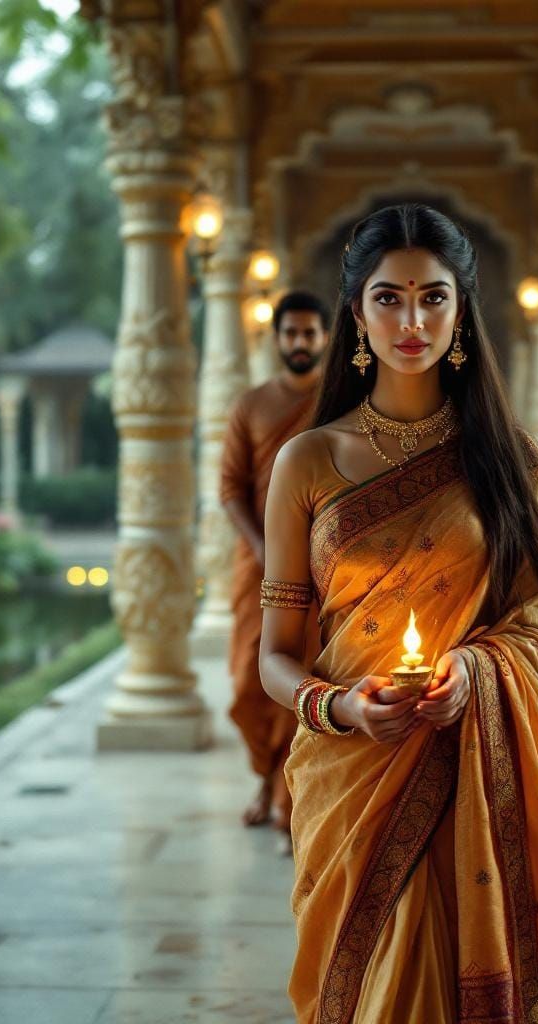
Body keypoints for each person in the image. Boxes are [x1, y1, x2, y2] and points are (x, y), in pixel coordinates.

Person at [259, 205, 538, 1022]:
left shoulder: (509, 461)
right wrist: (343, 707)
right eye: (389, 298)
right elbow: (275, 655)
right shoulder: (307, 461)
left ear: (462, 311)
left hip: (471, 771)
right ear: (356, 313)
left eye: (433, 298)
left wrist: (476, 672)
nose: (412, 322)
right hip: (353, 775)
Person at [219, 290, 330, 843]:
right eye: (291, 333)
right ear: (277, 338)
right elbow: (230, 489)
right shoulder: (251, 405)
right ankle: (265, 780)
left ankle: (291, 801)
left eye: (309, 333)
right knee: (248, 681)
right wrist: (264, 547)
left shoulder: (339, 405)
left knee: (301, 675)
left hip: (321, 566)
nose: (300, 342)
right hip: (258, 563)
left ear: (326, 338)